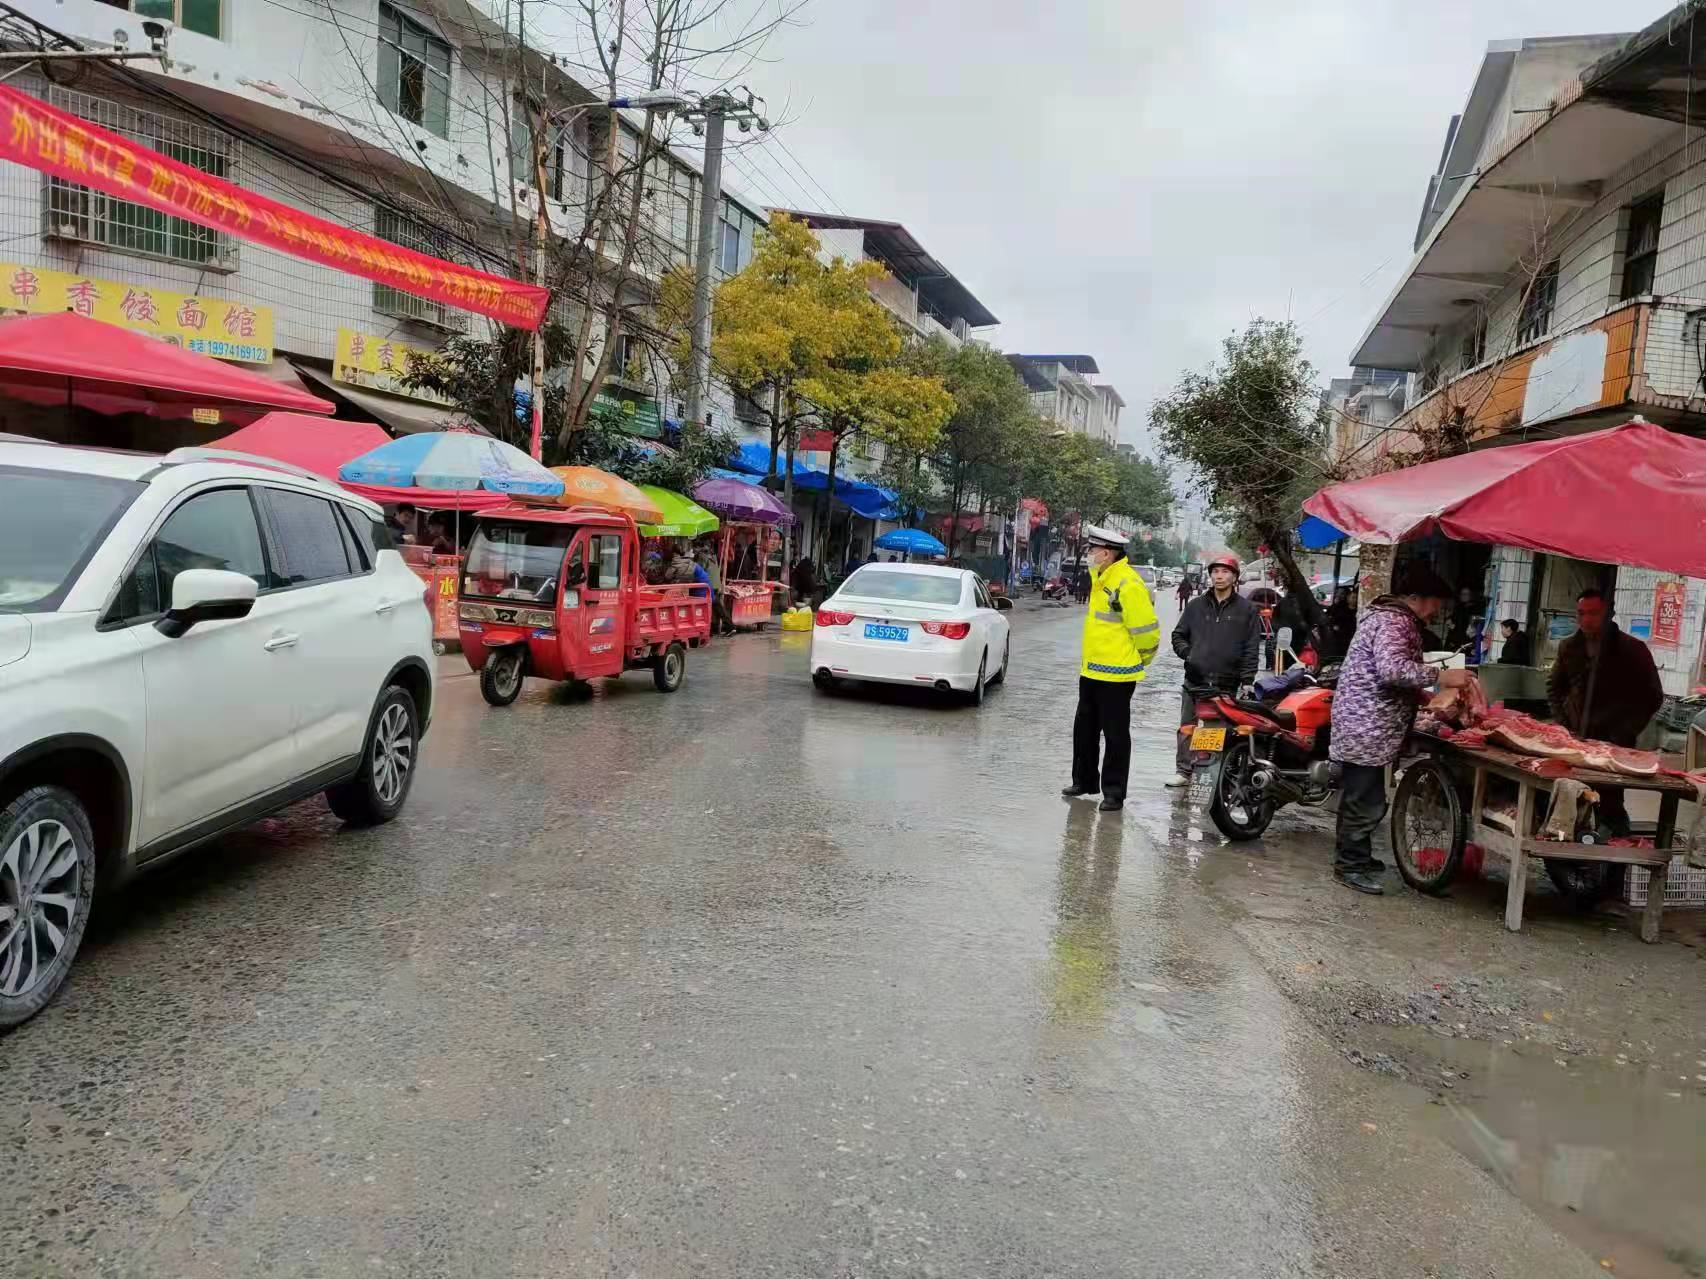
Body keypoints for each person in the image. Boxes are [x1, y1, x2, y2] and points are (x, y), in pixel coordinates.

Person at [1329, 565, 1468, 895]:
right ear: (1416, 599)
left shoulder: (1388, 617)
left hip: (1365, 721)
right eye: (1435, 603)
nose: (1437, 611)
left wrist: (1421, 695)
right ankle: (1349, 864)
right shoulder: (1395, 621)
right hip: (1367, 724)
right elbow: (1391, 670)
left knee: (1362, 795)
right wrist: (1439, 678)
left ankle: (1355, 857)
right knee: (1365, 799)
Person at [1547, 588, 1664, 836]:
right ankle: (1569, 860)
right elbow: (1554, 688)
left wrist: (1626, 730)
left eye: (1593, 613)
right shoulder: (1568, 647)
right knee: (1570, 799)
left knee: (1610, 806)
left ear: (1608, 614)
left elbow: (1652, 695)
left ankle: (1614, 865)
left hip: (1614, 746)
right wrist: (1564, 725)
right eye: (1581, 613)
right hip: (1577, 741)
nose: (1586, 619)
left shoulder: (1632, 649)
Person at [1061, 525, 1161, 812]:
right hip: (1091, 670)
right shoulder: (1101, 578)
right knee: (1084, 730)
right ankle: (1084, 781)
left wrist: (1140, 658)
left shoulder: (1127, 584)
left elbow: (1148, 632)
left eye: (1092, 551)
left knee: (1115, 735)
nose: (1089, 555)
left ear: (1106, 553)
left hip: (1118, 674)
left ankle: (1114, 793)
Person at [1166, 553, 1262, 787]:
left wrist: (1248, 679)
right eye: (1215, 572)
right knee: (1188, 727)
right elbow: (1178, 635)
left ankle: (1215, 773)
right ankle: (1184, 771)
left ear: (1234, 577)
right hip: (1195, 679)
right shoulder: (1195, 606)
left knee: (1219, 732)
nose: (1219, 576)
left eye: (1225, 572)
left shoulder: (1247, 610)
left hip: (1227, 682)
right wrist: (1189, 654)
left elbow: (1251, 647)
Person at [1324, 587, 1357, 658]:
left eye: (1356, 598)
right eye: (1353, 597)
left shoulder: (1358, 610)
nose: (1355, 600)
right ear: (1348, 598)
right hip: (1339, 636)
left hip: (1352, 635)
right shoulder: (1340, 607)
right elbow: (1331, 618)